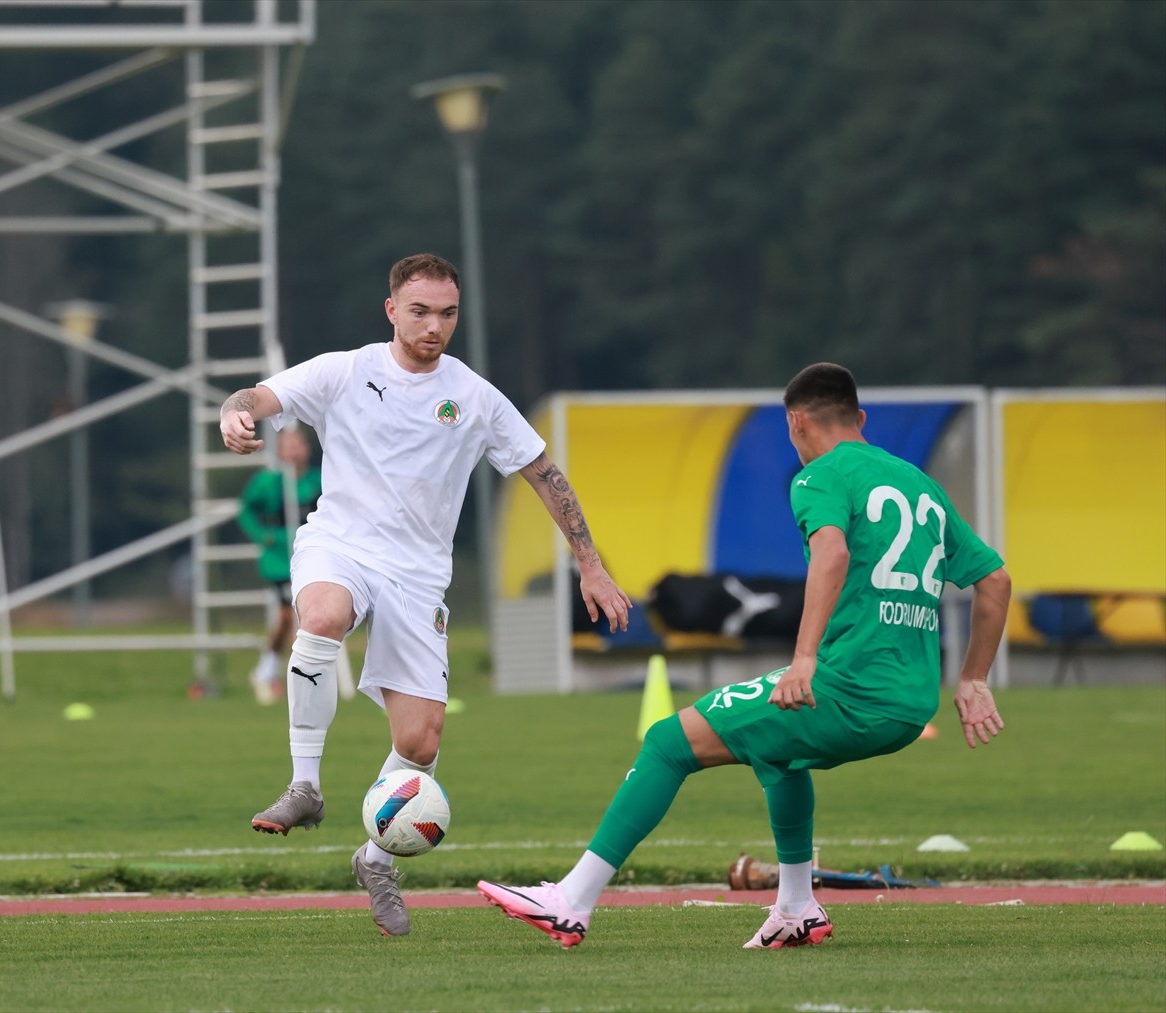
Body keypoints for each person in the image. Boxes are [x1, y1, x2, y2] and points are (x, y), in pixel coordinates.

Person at [478, 362, 1010, 950]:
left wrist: (804, 659)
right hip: (911, 701)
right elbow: (996, 581)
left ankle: (571, 900)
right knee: (780, 756)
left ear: (795, 423)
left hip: (850, 688)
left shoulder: (819, 477)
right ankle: (796, 906)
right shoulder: (920, 484)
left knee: (667, 743)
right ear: (859, 419)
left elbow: (830, 554)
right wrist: (974, 678)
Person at [218, 252, 632, 937]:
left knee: (421, 739)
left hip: (418, 574)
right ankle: (305, 786)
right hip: (341, 543)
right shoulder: (345, 370)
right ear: (391, 311)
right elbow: (256, 397)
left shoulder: (473, 395)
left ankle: (377, 858)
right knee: (320, 615)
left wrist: (590, 562)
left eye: (447, 313)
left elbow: (542, 472)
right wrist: (235, 417)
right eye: (420, 311)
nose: (435, 325)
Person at [237, 426, 322, 705]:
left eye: (298, 444)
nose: (293, 451)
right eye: (287, 445)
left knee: (314, 618)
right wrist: (263, 536)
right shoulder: (269, 482)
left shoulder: (318, 480)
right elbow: (246, 509)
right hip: (280, 560)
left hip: (314, 556)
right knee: (288, 615)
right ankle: (267, 670)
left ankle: (298, 674)